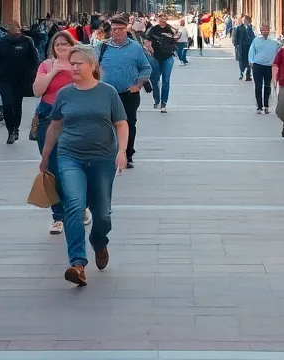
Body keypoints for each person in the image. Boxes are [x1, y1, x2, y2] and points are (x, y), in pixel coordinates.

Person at [41, 45, 129, 286]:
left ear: (93, 66)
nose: (75, 67)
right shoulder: (65, 94)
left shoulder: (108, 92)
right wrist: (46, 155)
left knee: (102, 215)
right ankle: (77, 263)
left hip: (102, 160)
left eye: (80, 63)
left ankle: (99, 242)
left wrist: (122, 151)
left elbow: (121, 123)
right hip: (70, 158)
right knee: (74, 207)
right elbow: (56, 125)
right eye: (73, 63)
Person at [33, 30, 85, 234]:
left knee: (74, 166)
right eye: (58, 45)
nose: (61, 47)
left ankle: (79, 206)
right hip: (48, 117)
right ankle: (58, 217)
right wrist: (54, 71)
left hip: (75, 119)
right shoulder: (46, 65)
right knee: (52, 168)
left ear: (73, 45)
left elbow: (89, 85)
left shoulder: (79, 65)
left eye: (65, 44)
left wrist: (71, 71)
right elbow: (37, 91)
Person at [96, 15, 152, 168]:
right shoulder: (102, 47)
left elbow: (146, 68)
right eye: (114, 29)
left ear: (126, 29)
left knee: (129, 123)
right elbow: (93, 67)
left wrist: (138, 85)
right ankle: (110, 154)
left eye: (120, 29)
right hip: (107, 94)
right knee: (106, 123)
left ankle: (127, 155)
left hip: (129, 94)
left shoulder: (135, 47)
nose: (116, 32)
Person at [0, 19, 39, 144]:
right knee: (7, 105)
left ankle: (16, 128)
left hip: (21, 79)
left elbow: (34, 61)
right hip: (5, 79)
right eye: (12, 31)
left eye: (17, 31)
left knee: (17, 105)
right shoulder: (2, 43)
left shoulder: (27, 42)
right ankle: (10, 130)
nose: (15, 33)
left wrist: (32, 76)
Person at [145, 14, 179, 112]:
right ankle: (157, 100)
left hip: (168, 57)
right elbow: (147, 40)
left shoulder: (171, 29)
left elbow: (176, 39)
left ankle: (164, 103)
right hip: (155, 57)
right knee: (154, 79)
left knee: (166, 80)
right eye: (160, 19)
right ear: (158, 19)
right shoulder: (153, 29)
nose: (162, 20)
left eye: (164, 19)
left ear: (166, 19)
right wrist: (149, 47)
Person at [247, 24, 281, 114]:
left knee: (267, 86)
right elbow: (251, 52)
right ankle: (259, 106)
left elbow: (279, 51)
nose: (265, 32)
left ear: (269, 31)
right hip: (258, 65)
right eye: (263, 30)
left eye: (267, 30)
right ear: (261, 31)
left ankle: (266, 105)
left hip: (269, 66)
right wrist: (251, 62)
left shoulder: (274, 41)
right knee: (258, 86)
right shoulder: (256, 40)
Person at [232, 15, 255, 80]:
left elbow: (253, 36)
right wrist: (236, 45)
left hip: (249, 47)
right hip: (242, 47)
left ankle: (248, 74)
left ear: (248, 21)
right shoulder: (239, 28)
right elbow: (237, 37)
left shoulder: (251, 28)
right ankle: (241, 73)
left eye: (245, 20)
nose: (244, 21)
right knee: (241, 61)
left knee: (249, 60)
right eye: (243, 20)